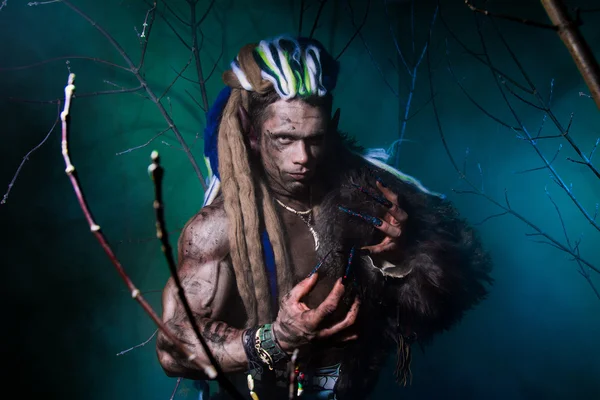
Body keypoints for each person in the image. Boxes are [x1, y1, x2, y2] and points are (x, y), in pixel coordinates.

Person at [156, 35, 493, 400]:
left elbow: (432, 301)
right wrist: (276, 340)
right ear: (252, 134)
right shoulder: (216, 228)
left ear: (331, 126)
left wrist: (398, 259)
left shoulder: (364, 199)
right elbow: (172, 348)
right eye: (284, 138)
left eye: (314, 138)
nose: (303, 156)